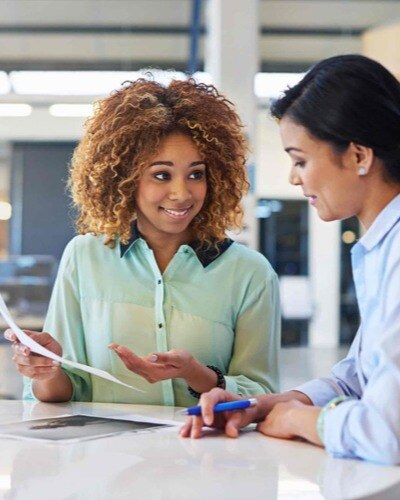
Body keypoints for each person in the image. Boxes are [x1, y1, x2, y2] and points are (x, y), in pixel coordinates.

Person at [5, 77, 280, 406]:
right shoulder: (85, 257)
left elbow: (261, 394)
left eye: (196, 174)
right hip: (107, 455)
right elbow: (62, 394)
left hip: (206, 454)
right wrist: (47, 371)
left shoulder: (250, 273)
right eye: (161, 175)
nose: (181, 193)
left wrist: (196, 374)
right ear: (126, 178)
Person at [181, 54, 400, 465]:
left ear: (358, 156)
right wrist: (268, 405)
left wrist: (302, 421)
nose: (294, 178)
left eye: (300, 160)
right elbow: (356, 376)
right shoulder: (380, 246)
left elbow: (389, 432)